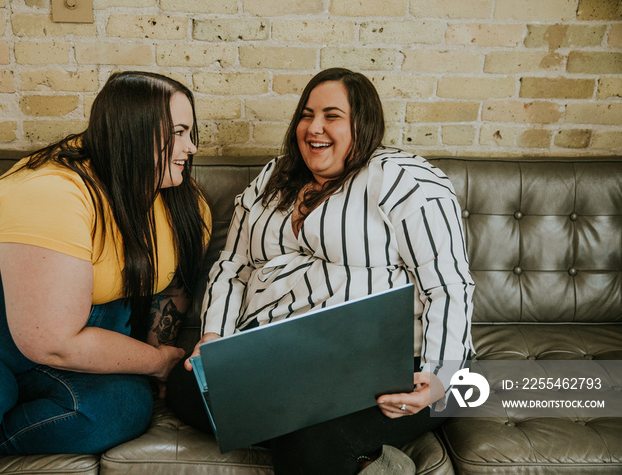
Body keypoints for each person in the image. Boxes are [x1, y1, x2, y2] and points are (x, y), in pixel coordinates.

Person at [169, 68, 474, 474]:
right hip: (284, 358)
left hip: (389, 365)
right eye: (307, 114)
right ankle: (368, 461)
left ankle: (338, 447)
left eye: (332, 116)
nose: (314, 128)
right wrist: (213, 338)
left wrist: (437, 379)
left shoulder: (406, 181)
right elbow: (233, 266)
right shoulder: (270, 180)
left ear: (362, 125)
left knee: (311, 438)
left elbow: (449, 286)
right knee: (185, 385)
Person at [0, 71, 210, 474]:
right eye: (179, 132)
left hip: (73, 329)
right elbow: (52, 340)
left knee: (121, 408)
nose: (191, 147)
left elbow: (173, 284)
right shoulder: (52, 191)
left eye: (190, 131)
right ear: (134, 133)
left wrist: (158, 352)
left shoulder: (184, 201)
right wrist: (156, 361)